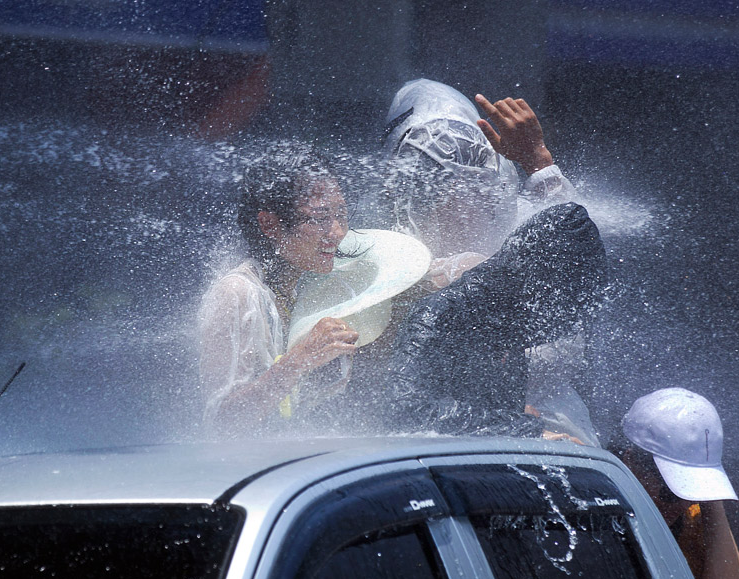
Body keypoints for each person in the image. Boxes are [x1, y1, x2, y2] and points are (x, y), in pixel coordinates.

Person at [383, 201, 607, 438]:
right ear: (539, 280)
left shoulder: (505, 318)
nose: (565, 316)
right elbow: (407, 412)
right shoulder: (437, 314)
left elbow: (481, 410)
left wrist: (513, 418)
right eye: (565, 298)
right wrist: (526, 429)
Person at [198, 142, 359, 437]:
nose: (337, 232)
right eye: (321, 218)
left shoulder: (317, 283)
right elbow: (221, 425)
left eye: (341, 214)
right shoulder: (237, 294)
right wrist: (300, 360)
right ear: (270, 225)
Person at [381, 79, 577, 288]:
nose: (463, 197)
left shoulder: (514, 222)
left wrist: (537, 160)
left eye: (475, 166)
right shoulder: (380, 253)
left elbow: (571, 247)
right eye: (435, 177)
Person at [616, 388, 739, 579]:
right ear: (629, 461)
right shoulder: (588, 505)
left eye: (691, 490)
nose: (681, 503)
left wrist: (711, 498)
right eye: (672, 489)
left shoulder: (693, 523)